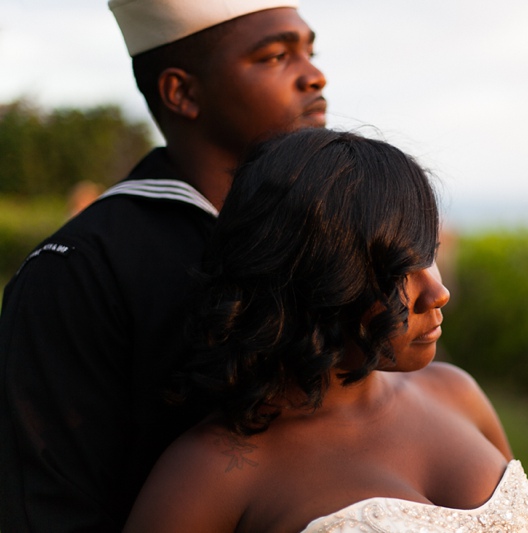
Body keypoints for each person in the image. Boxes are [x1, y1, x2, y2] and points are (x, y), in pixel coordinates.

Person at [0, 1, 326, 531]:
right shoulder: (77, 272)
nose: (314, 74)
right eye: (274, 56)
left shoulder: (323, 237)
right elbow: (47, 507)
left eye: (309, 51)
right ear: (183, 92)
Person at [122, 129, 528, 533]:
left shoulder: (458, 394)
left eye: (429, 253)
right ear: (316, 279)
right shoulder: (214, 472)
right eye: (398, 269)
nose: (438, 292)